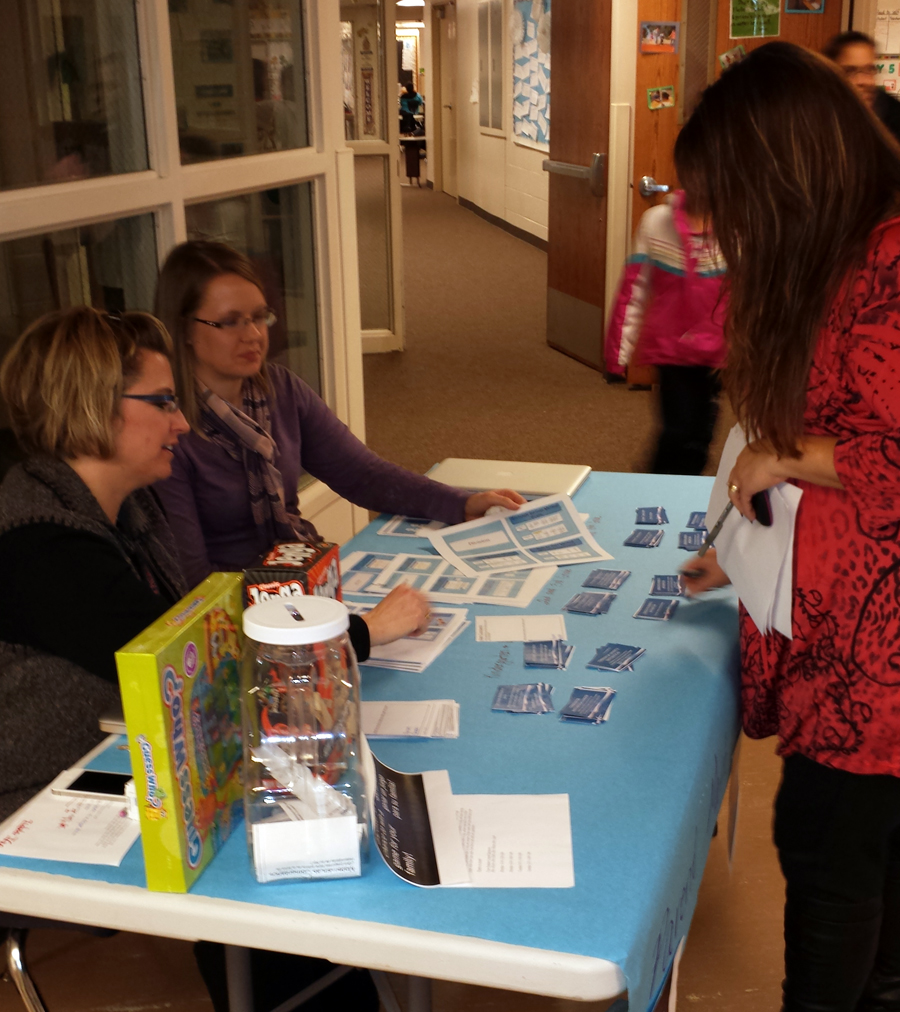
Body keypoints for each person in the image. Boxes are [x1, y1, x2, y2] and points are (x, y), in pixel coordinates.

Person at [677, 42, 900, 1011]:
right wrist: (741, 548)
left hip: (879, 663)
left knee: (829, 852)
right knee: (850, 850)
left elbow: (872, 453)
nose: (713, 224)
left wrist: (787, 457)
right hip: (845, 626)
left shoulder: (891, 261)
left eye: (724, 197)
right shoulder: (834, 255)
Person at [154, 240, 524, 660]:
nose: (254, 334)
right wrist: (353, 631)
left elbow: (360, 473)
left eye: (260, 316)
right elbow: (196, 592)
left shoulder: (280, 389)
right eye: (230, 322)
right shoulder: (169, 434)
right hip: (238, 628)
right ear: (184, 329)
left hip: (305, 580)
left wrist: (459, 502)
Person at [0, 308, 190, 820]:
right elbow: (183, 661)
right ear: (93, 406)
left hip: (108, 763)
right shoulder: (41, 547)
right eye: (164, 402)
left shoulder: (130, 507)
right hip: (34, 814)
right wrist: (353, 634)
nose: (182, 422)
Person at [605, 189, 726, 475]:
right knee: (678, 430)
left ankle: (677, 495)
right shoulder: (656, 221)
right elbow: (633, 289)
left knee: (701, 435)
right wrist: (618, 354)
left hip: (717, 351)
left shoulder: (740, 224)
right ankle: (652, 491)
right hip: (672, 349)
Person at [824, 31, 900, 143]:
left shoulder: (894, 116)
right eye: (850, 71)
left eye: (869, 70)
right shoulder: (814, 118)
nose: (864, 81)